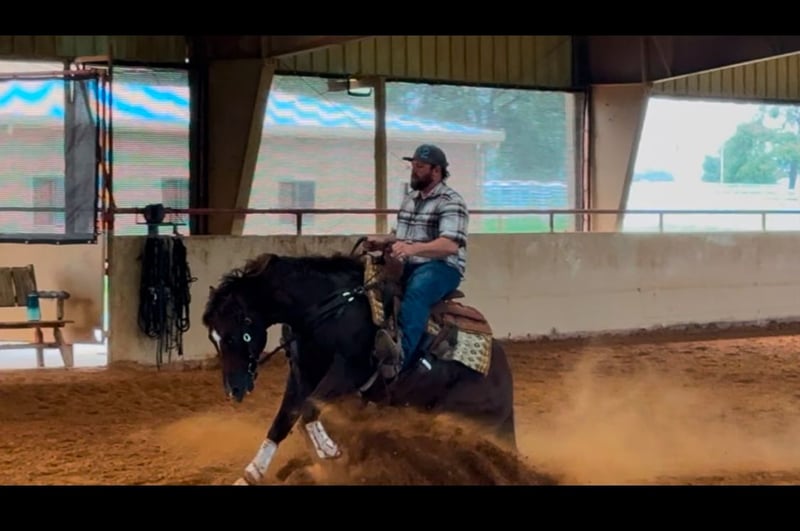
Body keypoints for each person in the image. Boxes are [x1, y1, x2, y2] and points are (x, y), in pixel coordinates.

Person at [365, 143, 469, 378]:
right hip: (409, 263)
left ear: (436, 171)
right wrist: (383, 241)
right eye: (413, 165)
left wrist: (412, 249)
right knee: (366, 284)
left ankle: (400, 360)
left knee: (417, 292)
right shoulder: (410, 199)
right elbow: (402, 238)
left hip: (443, 267)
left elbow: (450, 245)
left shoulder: (451, 201)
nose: (414, 170)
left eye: (420, 166)